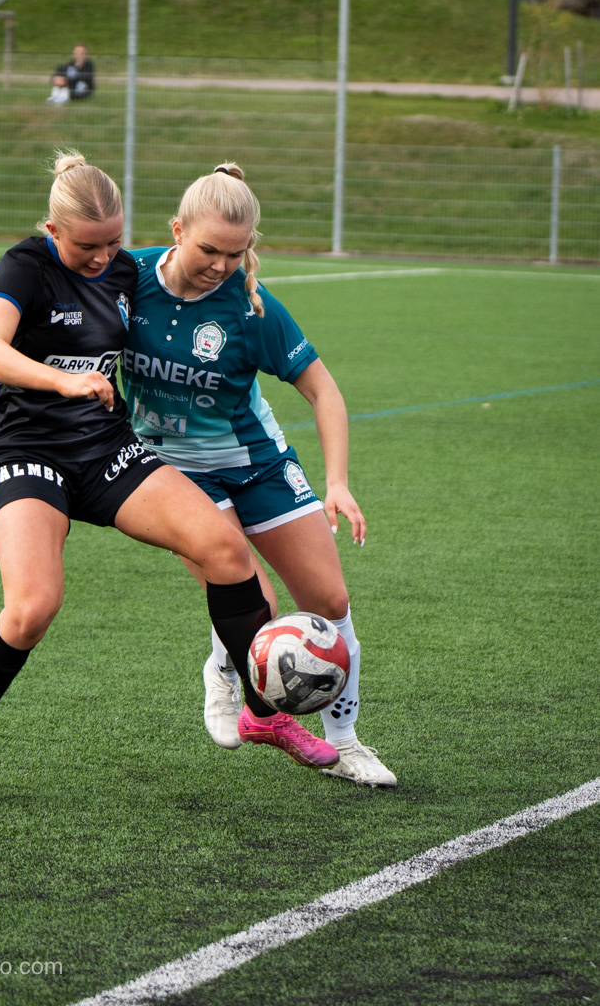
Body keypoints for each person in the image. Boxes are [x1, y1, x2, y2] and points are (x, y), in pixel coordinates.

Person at [0, 152, 342, 804]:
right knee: (32, 607)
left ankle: (260, 712)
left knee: (225, 550)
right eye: (87, 247)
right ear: (53, 230)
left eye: (114, 243)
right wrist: (63, 380)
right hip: (27, 451)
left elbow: (184, 276)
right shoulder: (25, 265)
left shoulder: (126, 270)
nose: (103, 258)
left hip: (106, 449)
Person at [122, 162, 397, 788]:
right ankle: (226, 670)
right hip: (172, 473)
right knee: (259, 603)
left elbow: (324, 391)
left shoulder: (252, 307)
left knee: (330, 602)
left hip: (258, 463)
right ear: (176, 230)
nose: (222, 265)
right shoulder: (125, 278)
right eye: (209, 250)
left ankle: (345, 742)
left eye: (236, 253)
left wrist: (337, 482)